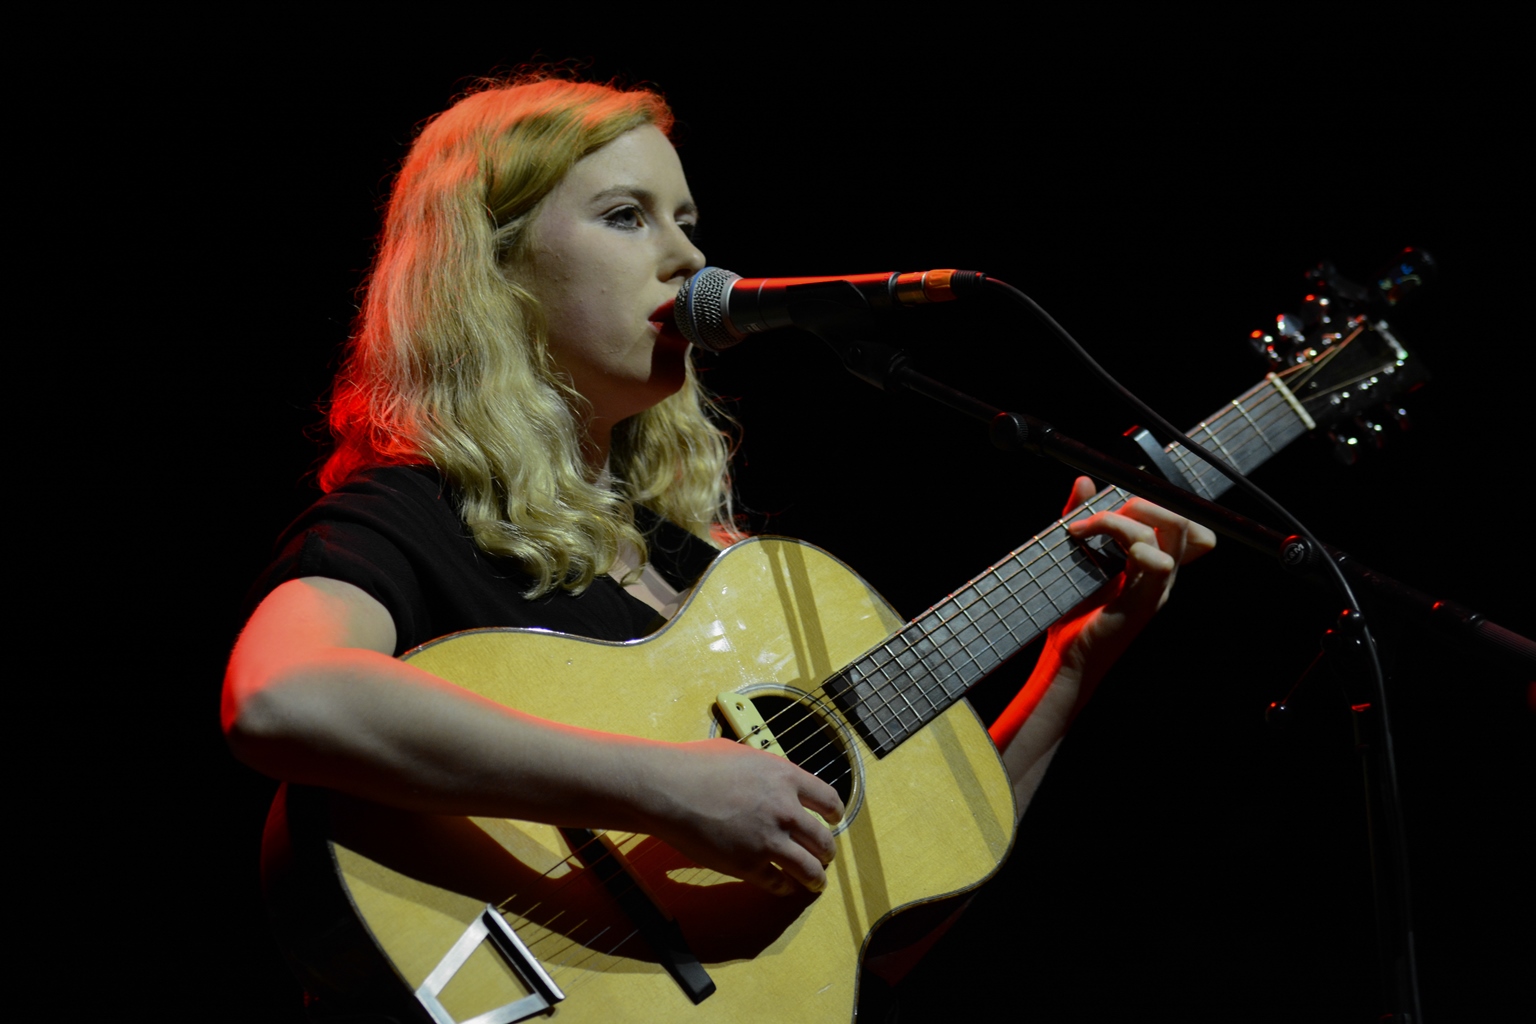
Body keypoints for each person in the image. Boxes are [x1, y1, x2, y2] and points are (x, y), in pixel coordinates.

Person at [222, 74, 1214, 1013]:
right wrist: (666, 786)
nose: (690, 259)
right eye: (627, 216)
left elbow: (859, 949)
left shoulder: (714, 575)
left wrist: (1072, 669)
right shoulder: (416, 516)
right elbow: (283, 694)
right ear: (497, 268)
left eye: (687, 224)